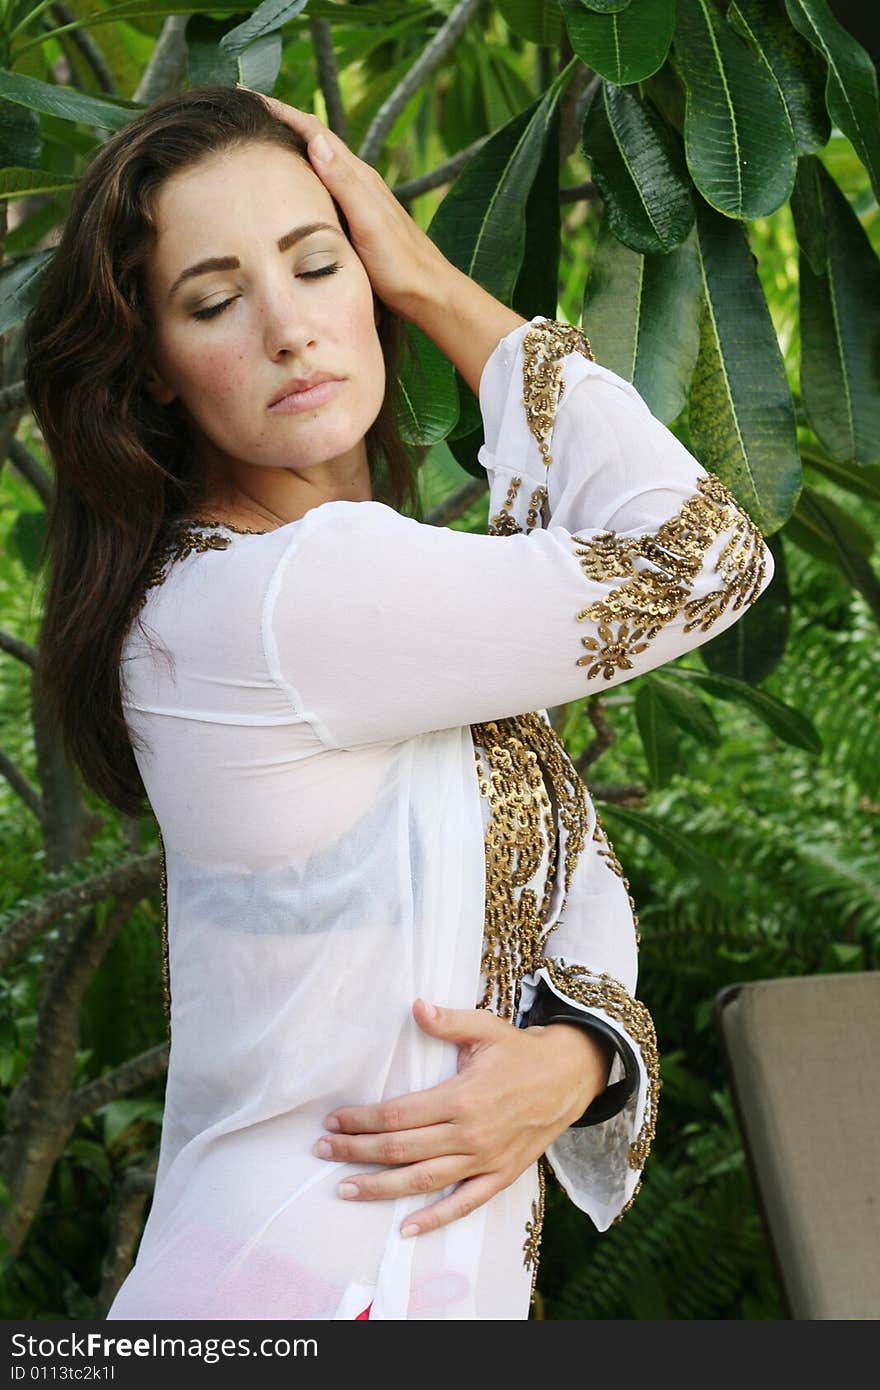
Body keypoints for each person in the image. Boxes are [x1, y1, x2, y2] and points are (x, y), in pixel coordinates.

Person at [23, 84, 775, 1321]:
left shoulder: (351, 598)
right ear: (152, 369)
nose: (289, 329)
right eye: (213, 301)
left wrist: (579, 1052)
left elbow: (575, 874)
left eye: (322, 264)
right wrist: (431, 278)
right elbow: (703, 558)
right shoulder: (283, 598)